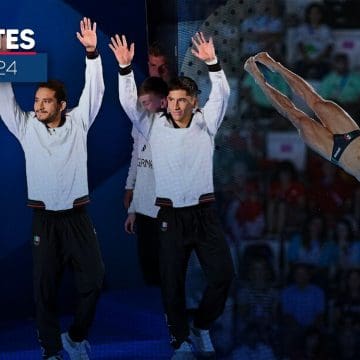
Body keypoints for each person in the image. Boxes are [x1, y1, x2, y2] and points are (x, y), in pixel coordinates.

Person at [109, 32, 235, 359]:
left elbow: (222, 93)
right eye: (173, 100)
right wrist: (124, 68)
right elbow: (127, 103)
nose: (177, 106)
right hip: (170, 218)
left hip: (204, 216)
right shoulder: (153, 125)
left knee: (223, 277)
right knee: (171, 284)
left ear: (193, 102)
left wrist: (212, 62)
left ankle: (202, 325)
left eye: (183, 100)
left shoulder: (207, 123)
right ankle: (180, 341)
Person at [0, 18, 105, 360]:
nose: (39, 106)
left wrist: (92, 52)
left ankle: (75, 337)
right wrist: (2, 57)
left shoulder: (78, 121)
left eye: (46, 101)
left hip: (77, 217)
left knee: (93, 280)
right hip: (43, 220)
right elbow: (5, 101)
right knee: (43, 288)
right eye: (36, 100)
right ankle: (51, 350)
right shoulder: (26, 127)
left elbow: (96, 90)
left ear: (62, 104)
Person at [244, 52, 360, 183]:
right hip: (353, 135)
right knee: (316, 102)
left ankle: (259, 80)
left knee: (298, 119)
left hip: (337, 154)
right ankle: (276, 66)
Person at [124, 76, 168, 286]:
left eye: (147, 103)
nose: (144, 108)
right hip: (142, 209)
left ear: (163, 101)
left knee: (165, 266)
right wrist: (131, 196)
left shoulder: (173, 128)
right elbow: (137, 158)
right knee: (147, 264)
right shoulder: (140, 124)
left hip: (164, 210)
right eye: (141, 104)